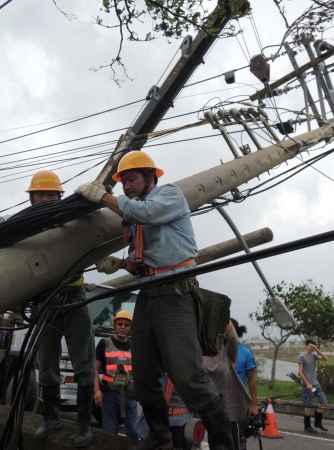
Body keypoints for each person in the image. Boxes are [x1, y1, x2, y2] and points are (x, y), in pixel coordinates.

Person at [75, 150, 234, 450]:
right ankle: (159, 434)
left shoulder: (169, 196)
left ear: (150, 177)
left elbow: (143, 213)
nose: (127, 187)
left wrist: (103, 197)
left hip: (176, 294)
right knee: (144, 374)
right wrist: (121, 265)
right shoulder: (136, 212)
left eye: (131, 179)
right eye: (123, 183)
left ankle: (224, 443)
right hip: (149, 295)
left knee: (187, 375)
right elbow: (147, 263)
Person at [0, 169, 95, 447]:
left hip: (73, 297)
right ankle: (51, 416)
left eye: (49, 194)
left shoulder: (71, 220)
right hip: (45, 303)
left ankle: (83, 425)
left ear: (59, 196)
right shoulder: (26, 226)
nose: (44, 199)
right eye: (39, 194)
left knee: (83, 365)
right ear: (31, 199)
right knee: (46, 365)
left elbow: (94, 223)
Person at [94, 310, 147, 439]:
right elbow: (94, 369)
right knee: (109, 433)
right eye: (119, 324)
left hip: (130, 397)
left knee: (134, 433)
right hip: (109, 395)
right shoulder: (105, 343)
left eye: (126, 325)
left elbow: (141, 372)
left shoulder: (135, 347)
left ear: (130, 328)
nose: (122, 327)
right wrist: (96, 391)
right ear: (115, 325)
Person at [202, 320, 251, 450]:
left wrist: (221, 312)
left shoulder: (229, 353)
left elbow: (233, 337)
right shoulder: (202, 352)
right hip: (207, 413)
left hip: (227, 415)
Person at [231, 320, 259, 450]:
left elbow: (252, 379)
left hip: (240, 405)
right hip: (219, 404)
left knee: (239, 440)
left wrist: (253, 405)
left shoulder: (245, 353)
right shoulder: (216, 351)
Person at [298, 339, 329, 433]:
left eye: (313, 347)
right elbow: (300, 372)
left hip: (315, 384)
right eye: (310, 346)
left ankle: (317, 422)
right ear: (306, 346)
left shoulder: (314, 356)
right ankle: (307, 426)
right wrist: (307, 383)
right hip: (307, 385)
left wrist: (317, 349)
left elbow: (326, 359)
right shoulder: (302, 356)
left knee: (324, 402)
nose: (312, 348)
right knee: (308, 405)